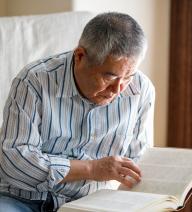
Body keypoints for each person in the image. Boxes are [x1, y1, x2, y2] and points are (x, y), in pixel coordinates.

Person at [0, 12, 155, 211]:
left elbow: (138, 162)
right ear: (80, 56)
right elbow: (15, 162)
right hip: (23, 199)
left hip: (90, 205)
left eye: (128, 77)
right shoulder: (34, 81)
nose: (118, 90)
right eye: (110, 77)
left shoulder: (141, 91)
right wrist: (91, 169)